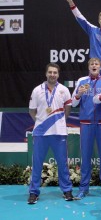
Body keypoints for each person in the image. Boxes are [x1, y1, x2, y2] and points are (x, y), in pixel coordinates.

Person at [28, 63, 73, 204]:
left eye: (55, 72)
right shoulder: (37, 90)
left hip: (59, 132)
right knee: (37, 164)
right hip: (41, 133)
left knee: (62, 163)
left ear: (58, 74)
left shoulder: (64, 90)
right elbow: (31, 111)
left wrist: (59, 122)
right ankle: (34, 192)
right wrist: (41, 122)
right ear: (46, 73)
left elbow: (68, 108)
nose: (52, 75)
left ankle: (67, 190)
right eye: (50, 72)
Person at [71, 58, 101, 199]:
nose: (94, 66)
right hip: (86, 123)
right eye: (91, 64)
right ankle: (84, 188)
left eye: (96, 64)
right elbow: (73, 102)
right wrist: (79, 94)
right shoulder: (81, 81)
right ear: (88, 67)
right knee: (86, 156)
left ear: (100, 67)